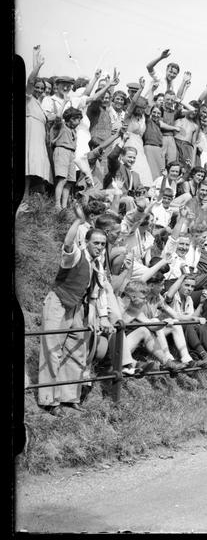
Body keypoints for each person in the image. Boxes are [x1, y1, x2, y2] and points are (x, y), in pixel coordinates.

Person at [38, 217, 114, 415]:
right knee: (53, 349)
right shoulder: (77, 255)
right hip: (59, 303)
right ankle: (49, 401)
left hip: (78, 307)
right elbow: (68, 244)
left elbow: (99, 292)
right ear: (86, 242)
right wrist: (78, 221)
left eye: (102, 244)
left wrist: (101, 316)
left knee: (77, 350)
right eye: (96, 243)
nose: (99, 247)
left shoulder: (98, 265)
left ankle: (70, 397)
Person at [25, 45, 53, 195]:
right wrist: (38, 63)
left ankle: (31, 200)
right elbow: (31, 79)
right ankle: (23, 198)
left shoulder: (38, 103)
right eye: (38, 88)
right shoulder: (28, 98)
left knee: (34, 169)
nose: (40, 90)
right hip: (30, 136)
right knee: (28, 168)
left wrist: (36, 58)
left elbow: (35, 81)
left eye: (43, 89)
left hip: (38, 138)